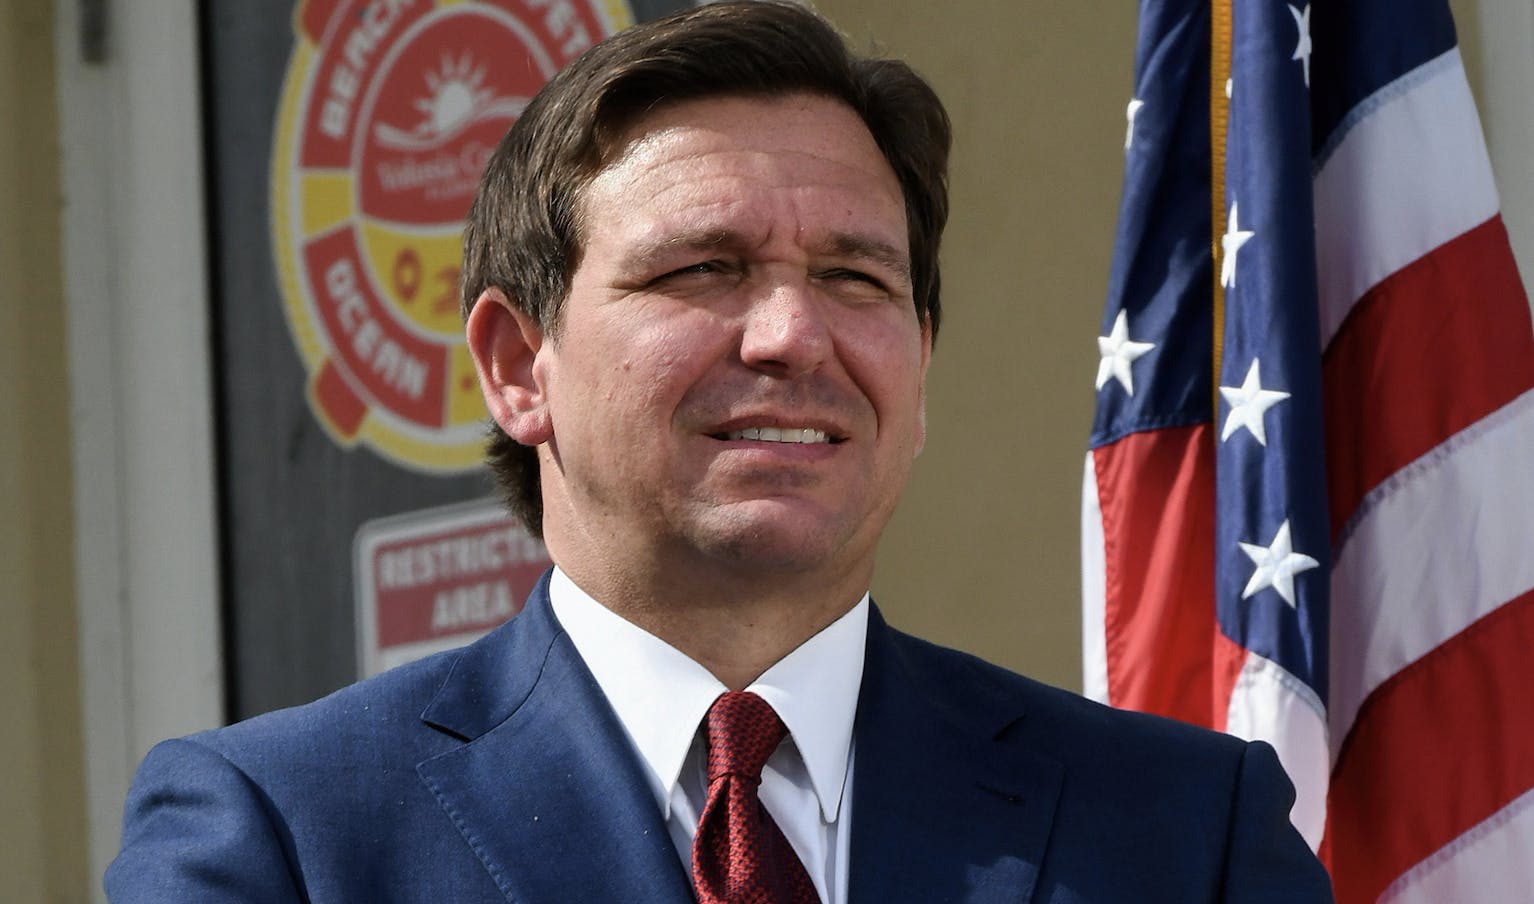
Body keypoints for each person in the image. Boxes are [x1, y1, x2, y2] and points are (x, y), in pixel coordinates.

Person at [106, 3, 1334, 902]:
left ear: (918, 366)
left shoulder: (1185, 832)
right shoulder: (284, 837)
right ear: (518, 365)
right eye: (703, 268)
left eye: (855, 277)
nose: (792, 334)